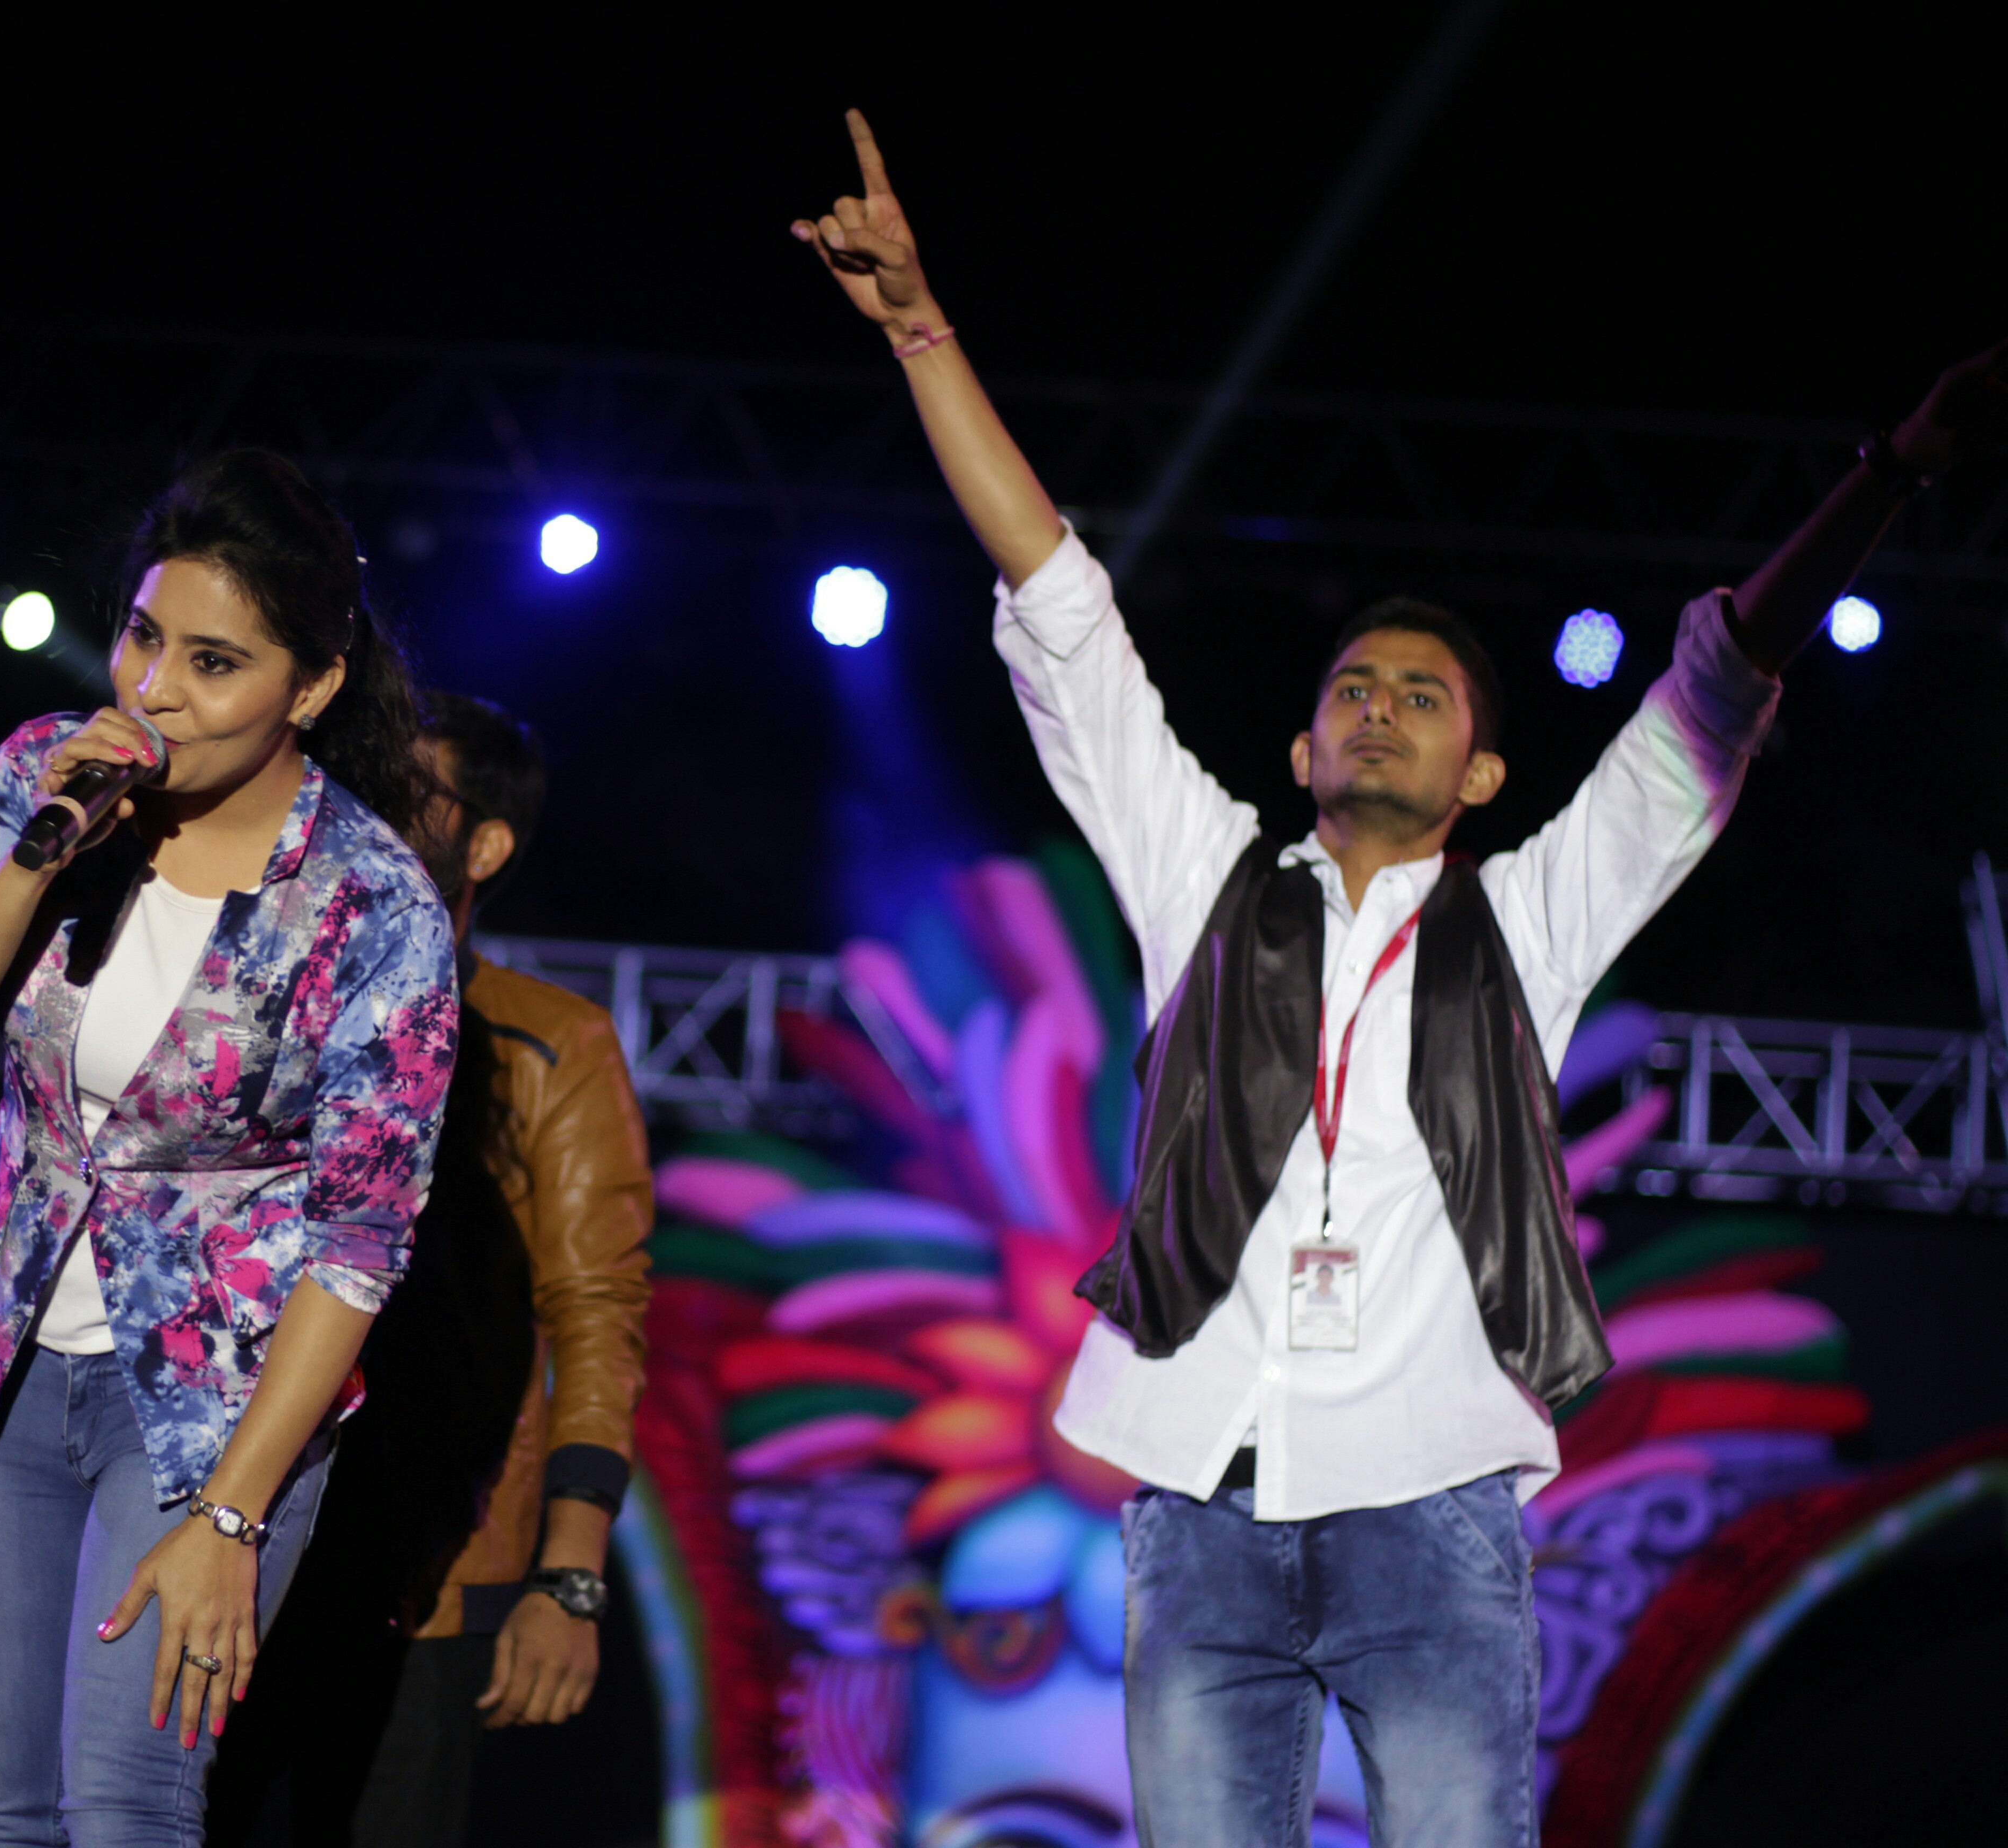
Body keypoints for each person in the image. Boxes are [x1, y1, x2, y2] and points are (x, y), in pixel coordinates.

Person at [791, 109, 2006, 1846]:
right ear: (1300, 745)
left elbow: (1720, 679)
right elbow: (1056, 595)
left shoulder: (1532, 920)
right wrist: (921, 329)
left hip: (1433, 1507)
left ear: (1483, 774)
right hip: (1201, 1494)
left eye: (1424, 696)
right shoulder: (1200, 875)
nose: (1381, 706)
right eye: (1354, 687)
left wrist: (1884, 471)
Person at [0, 448, 461, 1848]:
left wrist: (234, 1519)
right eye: (143, 637)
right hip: (12, 1368)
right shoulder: (45, 777)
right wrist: (38, 856)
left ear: (311, 686)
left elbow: (360, 1250)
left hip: (211, 1411)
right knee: (3, 1815)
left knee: (126, 1805)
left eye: (213, 662)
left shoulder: (372, 906)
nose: (155, 691)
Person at [212, 691, 655, 1848]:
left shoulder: (550, 1044)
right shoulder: (264, 994)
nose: (368, 808)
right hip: (227, 1534)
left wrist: (568, 1576)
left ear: (486, 845)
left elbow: (597, 1312)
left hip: (427, 1572)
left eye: (411, 793)